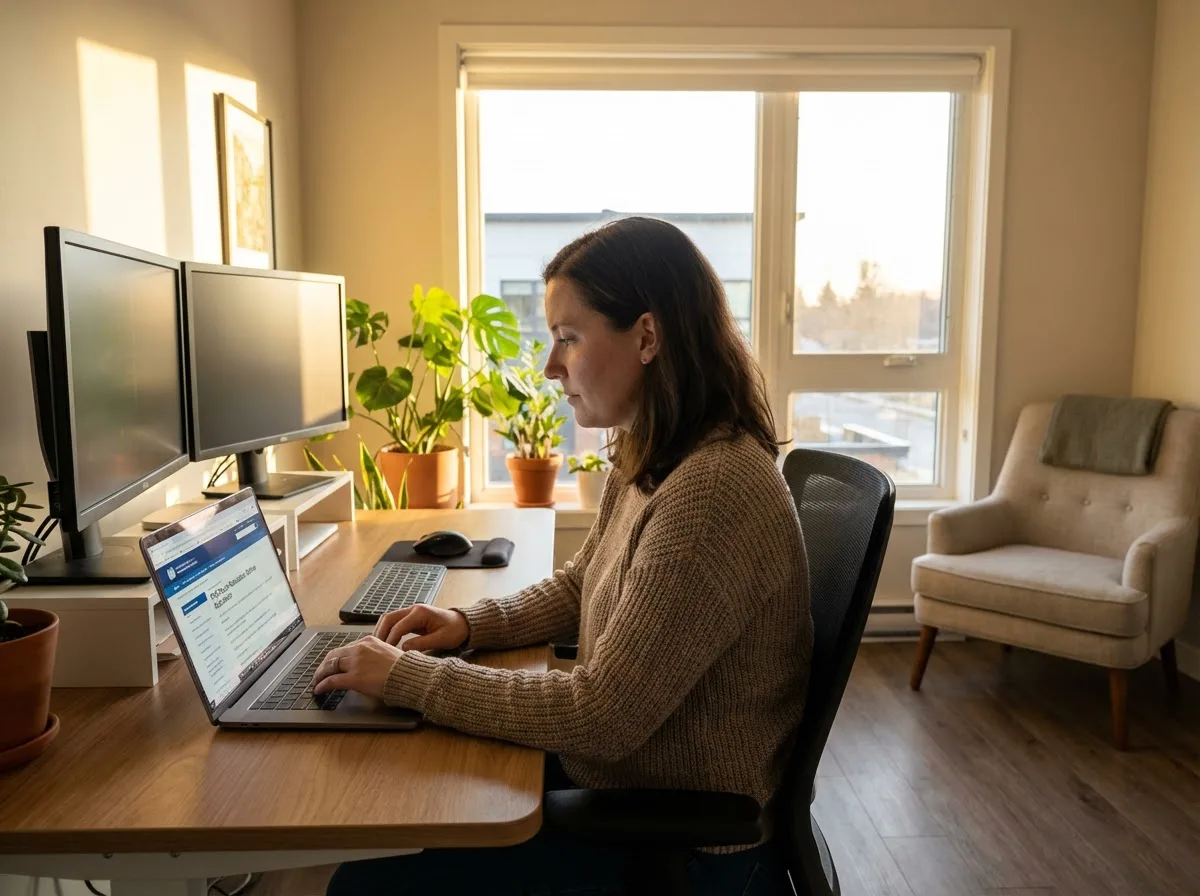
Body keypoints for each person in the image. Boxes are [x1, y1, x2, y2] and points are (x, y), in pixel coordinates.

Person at [313, 216, 813, 896]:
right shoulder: (657, 452)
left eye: (568, 339)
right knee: (407, 791)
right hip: (626, 789)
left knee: (365, 885)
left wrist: (406, 679)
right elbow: (585, 584)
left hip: (678, 845)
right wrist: (469, 627)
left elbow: (602, 714)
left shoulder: (713, 491)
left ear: (646, 336)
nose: (550, 367)